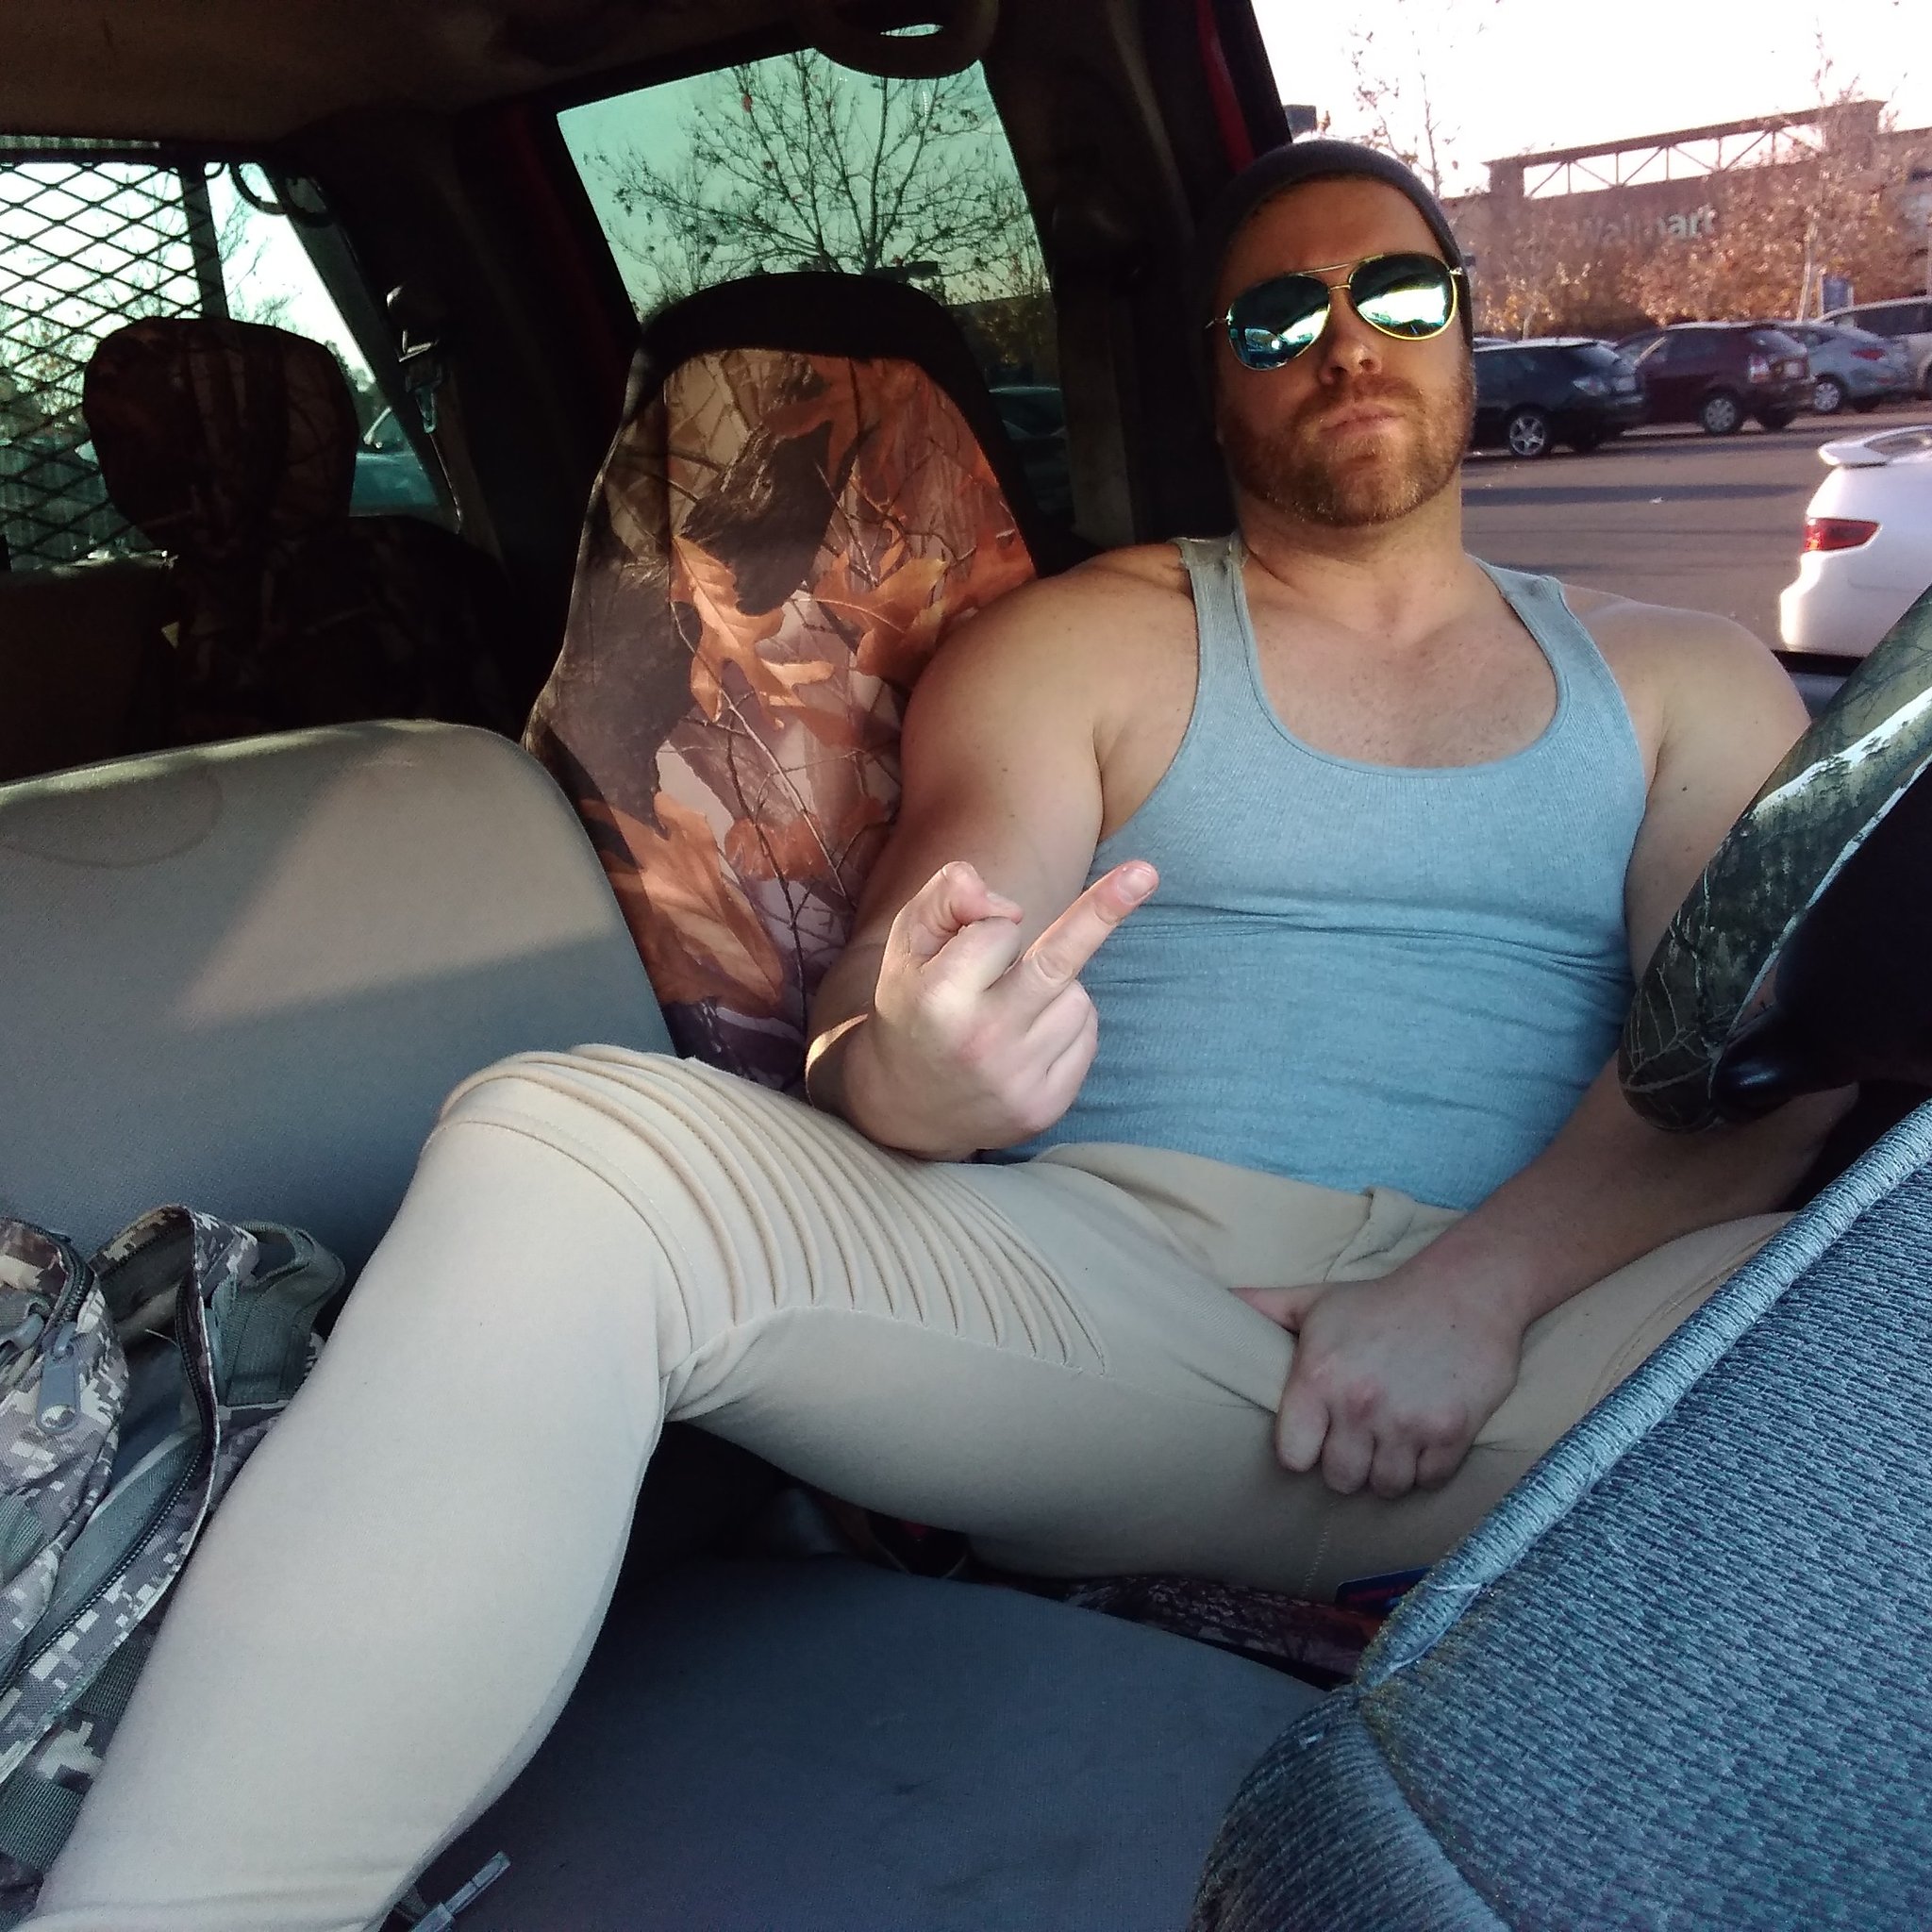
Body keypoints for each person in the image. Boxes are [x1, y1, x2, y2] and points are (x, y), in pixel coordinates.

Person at [30, 141, 1840, 1931]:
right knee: (555, 1146)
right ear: (1209, 381)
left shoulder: (1682, 676)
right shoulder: (1082, 647)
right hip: (1139, 1326)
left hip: (1571, 1350)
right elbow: (893, 998)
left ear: (1465, 325)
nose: (1348, 344)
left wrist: (1475, 1292)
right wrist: (920, 1066)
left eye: (1399, 295)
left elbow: (1765, 1078)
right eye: (1280, 317)